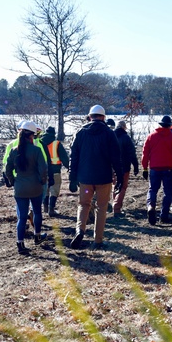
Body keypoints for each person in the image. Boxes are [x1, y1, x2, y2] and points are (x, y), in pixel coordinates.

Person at [68, 105, 124, 249]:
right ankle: (98, 240)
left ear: (89, 116)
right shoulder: (109, 133)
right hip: (103, 178)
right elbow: (116, 158)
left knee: (84, 204)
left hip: (85, 178)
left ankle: (80, 230)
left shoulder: (80, 132)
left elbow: (73, 157)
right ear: (103, 117)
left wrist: (72, 177)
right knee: (101, 207)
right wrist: (120, 176)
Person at [4, 121, 48, 254]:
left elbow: (7, 169)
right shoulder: (37, 150)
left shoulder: (13, 150)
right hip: (35, 186)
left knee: (22, 217)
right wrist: (42, 181)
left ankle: (20, 243)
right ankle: (38, 236)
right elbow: (43, 169)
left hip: (20, 188)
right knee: (37, 212)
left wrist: (13, 181)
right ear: (31, 136)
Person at [141, 115, 172, 225]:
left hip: (154, 168)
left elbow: (145, 153)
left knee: (152, 190)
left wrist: (145, 168)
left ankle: (151, 206)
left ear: (160, 124)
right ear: (170, 125)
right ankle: (164, 215)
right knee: (167, 192)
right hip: (169, 169)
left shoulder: (151, 136)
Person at [39, 126, 68, 216]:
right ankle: (51, 209)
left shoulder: (39, 142)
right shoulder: (57, 143)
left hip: (42, 170)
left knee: (45, 190)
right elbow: (64, 158)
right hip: (55, 170)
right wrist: (69, 168)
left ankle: (45, 208)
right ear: (54, 134)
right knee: (54, 190)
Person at [112, 120, 139, 217]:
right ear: (124, 127)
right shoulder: (126, 138)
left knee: (115, 185)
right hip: (124, 167)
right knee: (122, 187)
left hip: (113, 167)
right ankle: (117, 208)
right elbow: (132, 153)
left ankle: (114, 204)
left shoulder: (111, 136)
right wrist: (135, 166)